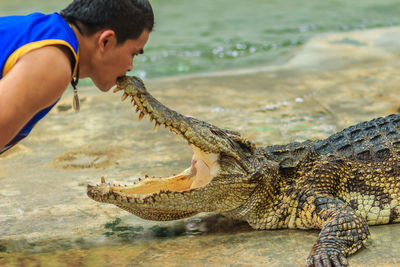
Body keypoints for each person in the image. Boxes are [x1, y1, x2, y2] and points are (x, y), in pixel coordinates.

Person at [0, 0, 154, 154]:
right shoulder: (54, 62)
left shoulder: (47, 33)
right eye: (133, 53)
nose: (130, 67)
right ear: (105, 41)